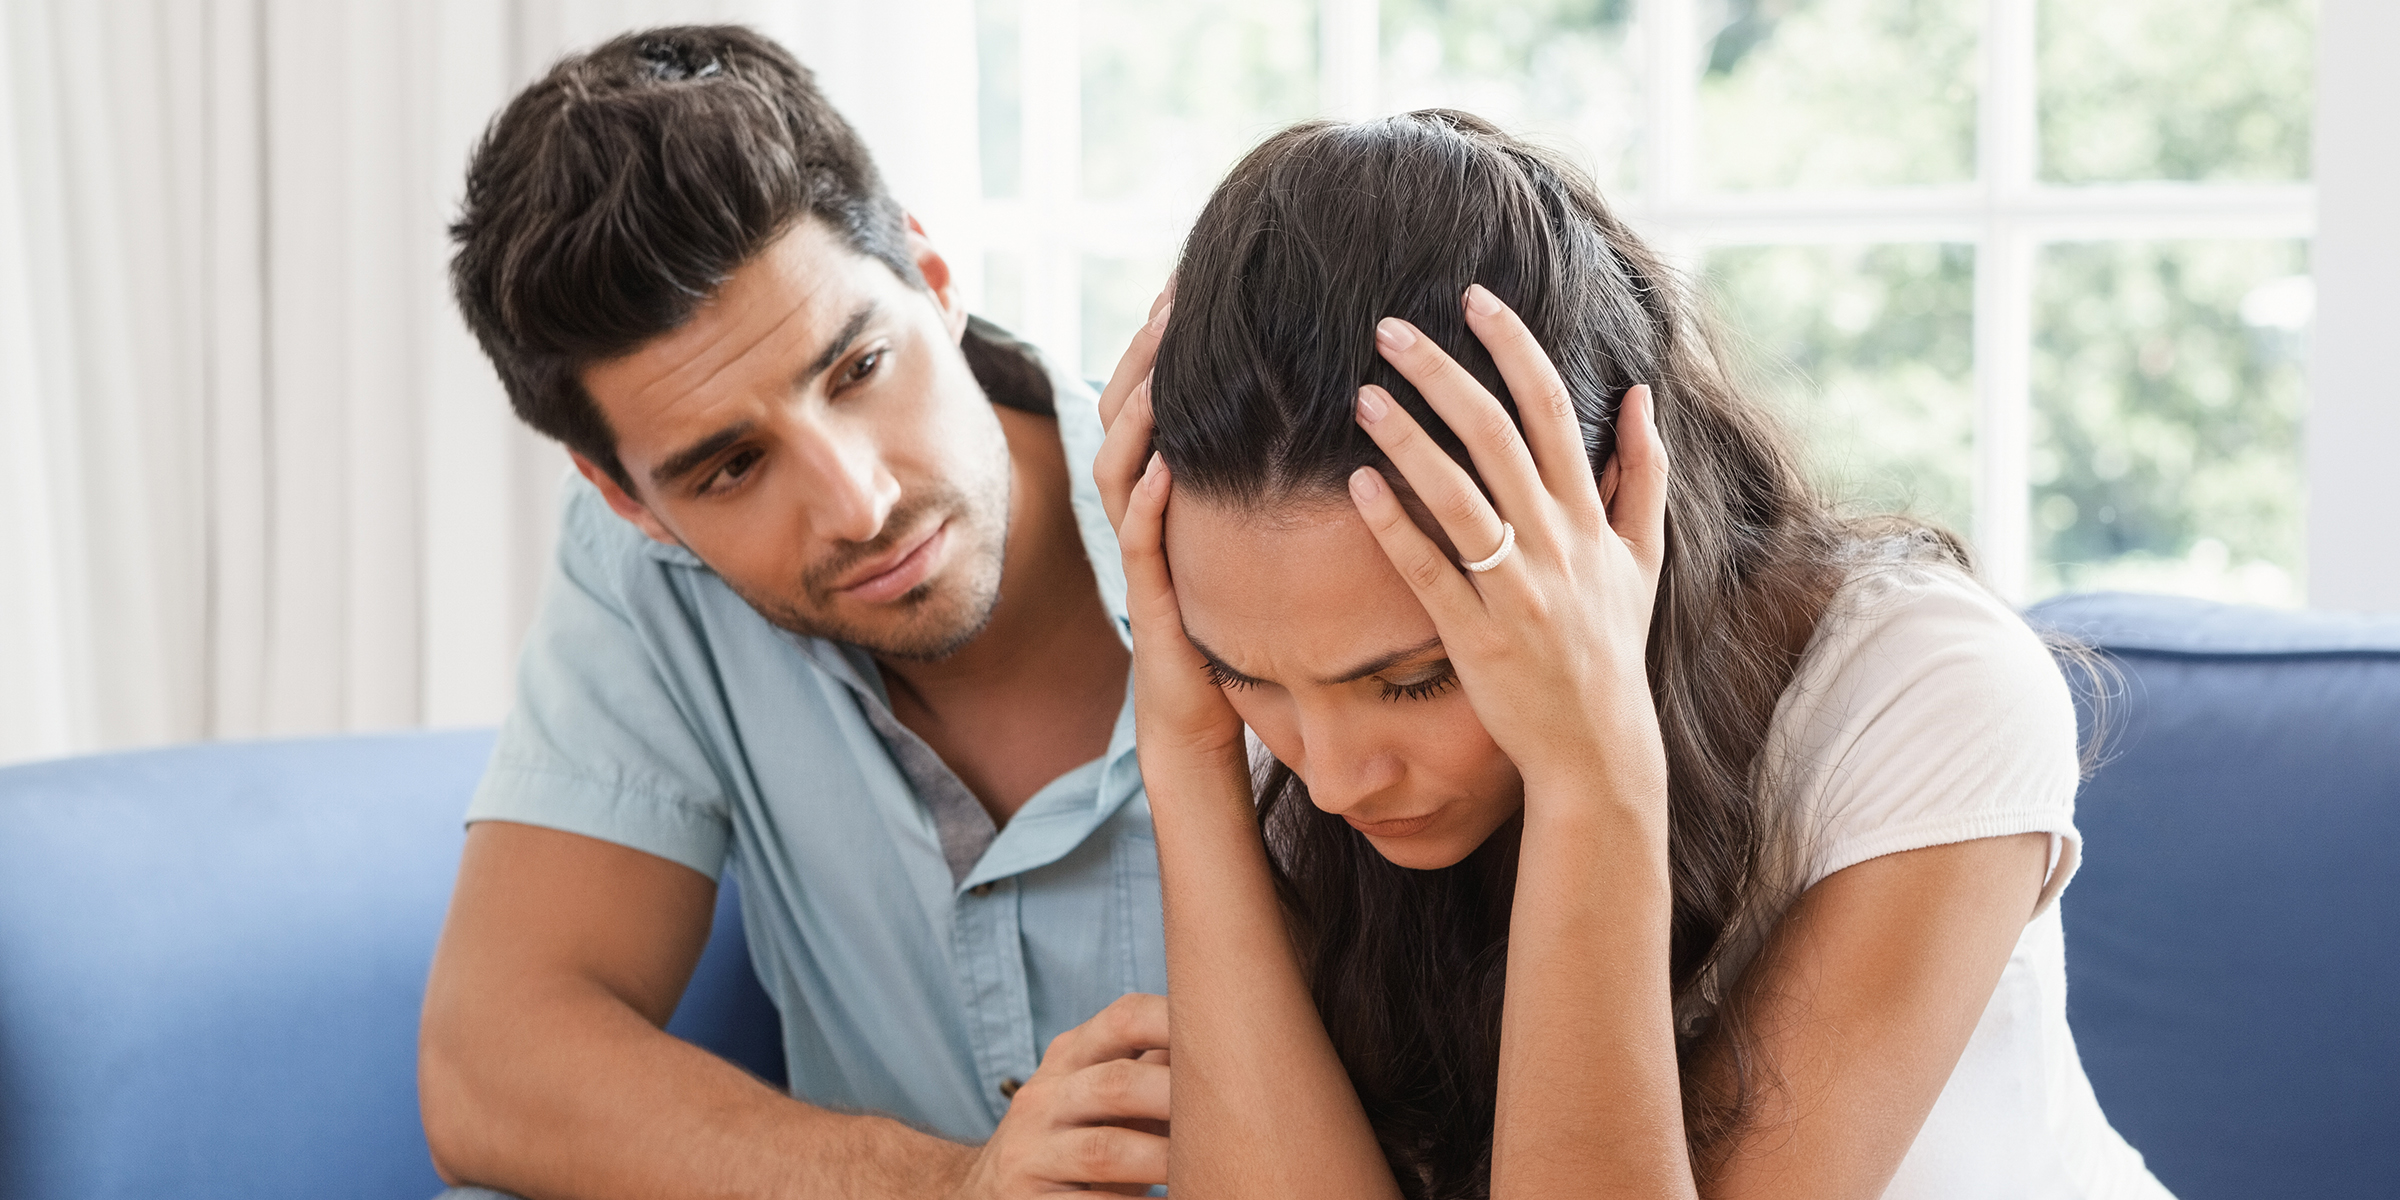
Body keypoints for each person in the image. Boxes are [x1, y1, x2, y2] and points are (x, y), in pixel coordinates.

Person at [1091, 111, 2174, 1199]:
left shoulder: (1928, 695)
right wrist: (1189, 754)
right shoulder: (1315, 721)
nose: (1329, 777)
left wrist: (1591, 766)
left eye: (1417, 679)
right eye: (1246, 675)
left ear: (1611, 520)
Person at [419, 26, 1179, 1199]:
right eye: (732, 468)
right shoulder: (644, 575)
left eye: (859, 370)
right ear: (629, 499)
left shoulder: (1238, 516)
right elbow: (493, 1067)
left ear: (931, 278)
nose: (859, 505)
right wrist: (949, 1187)